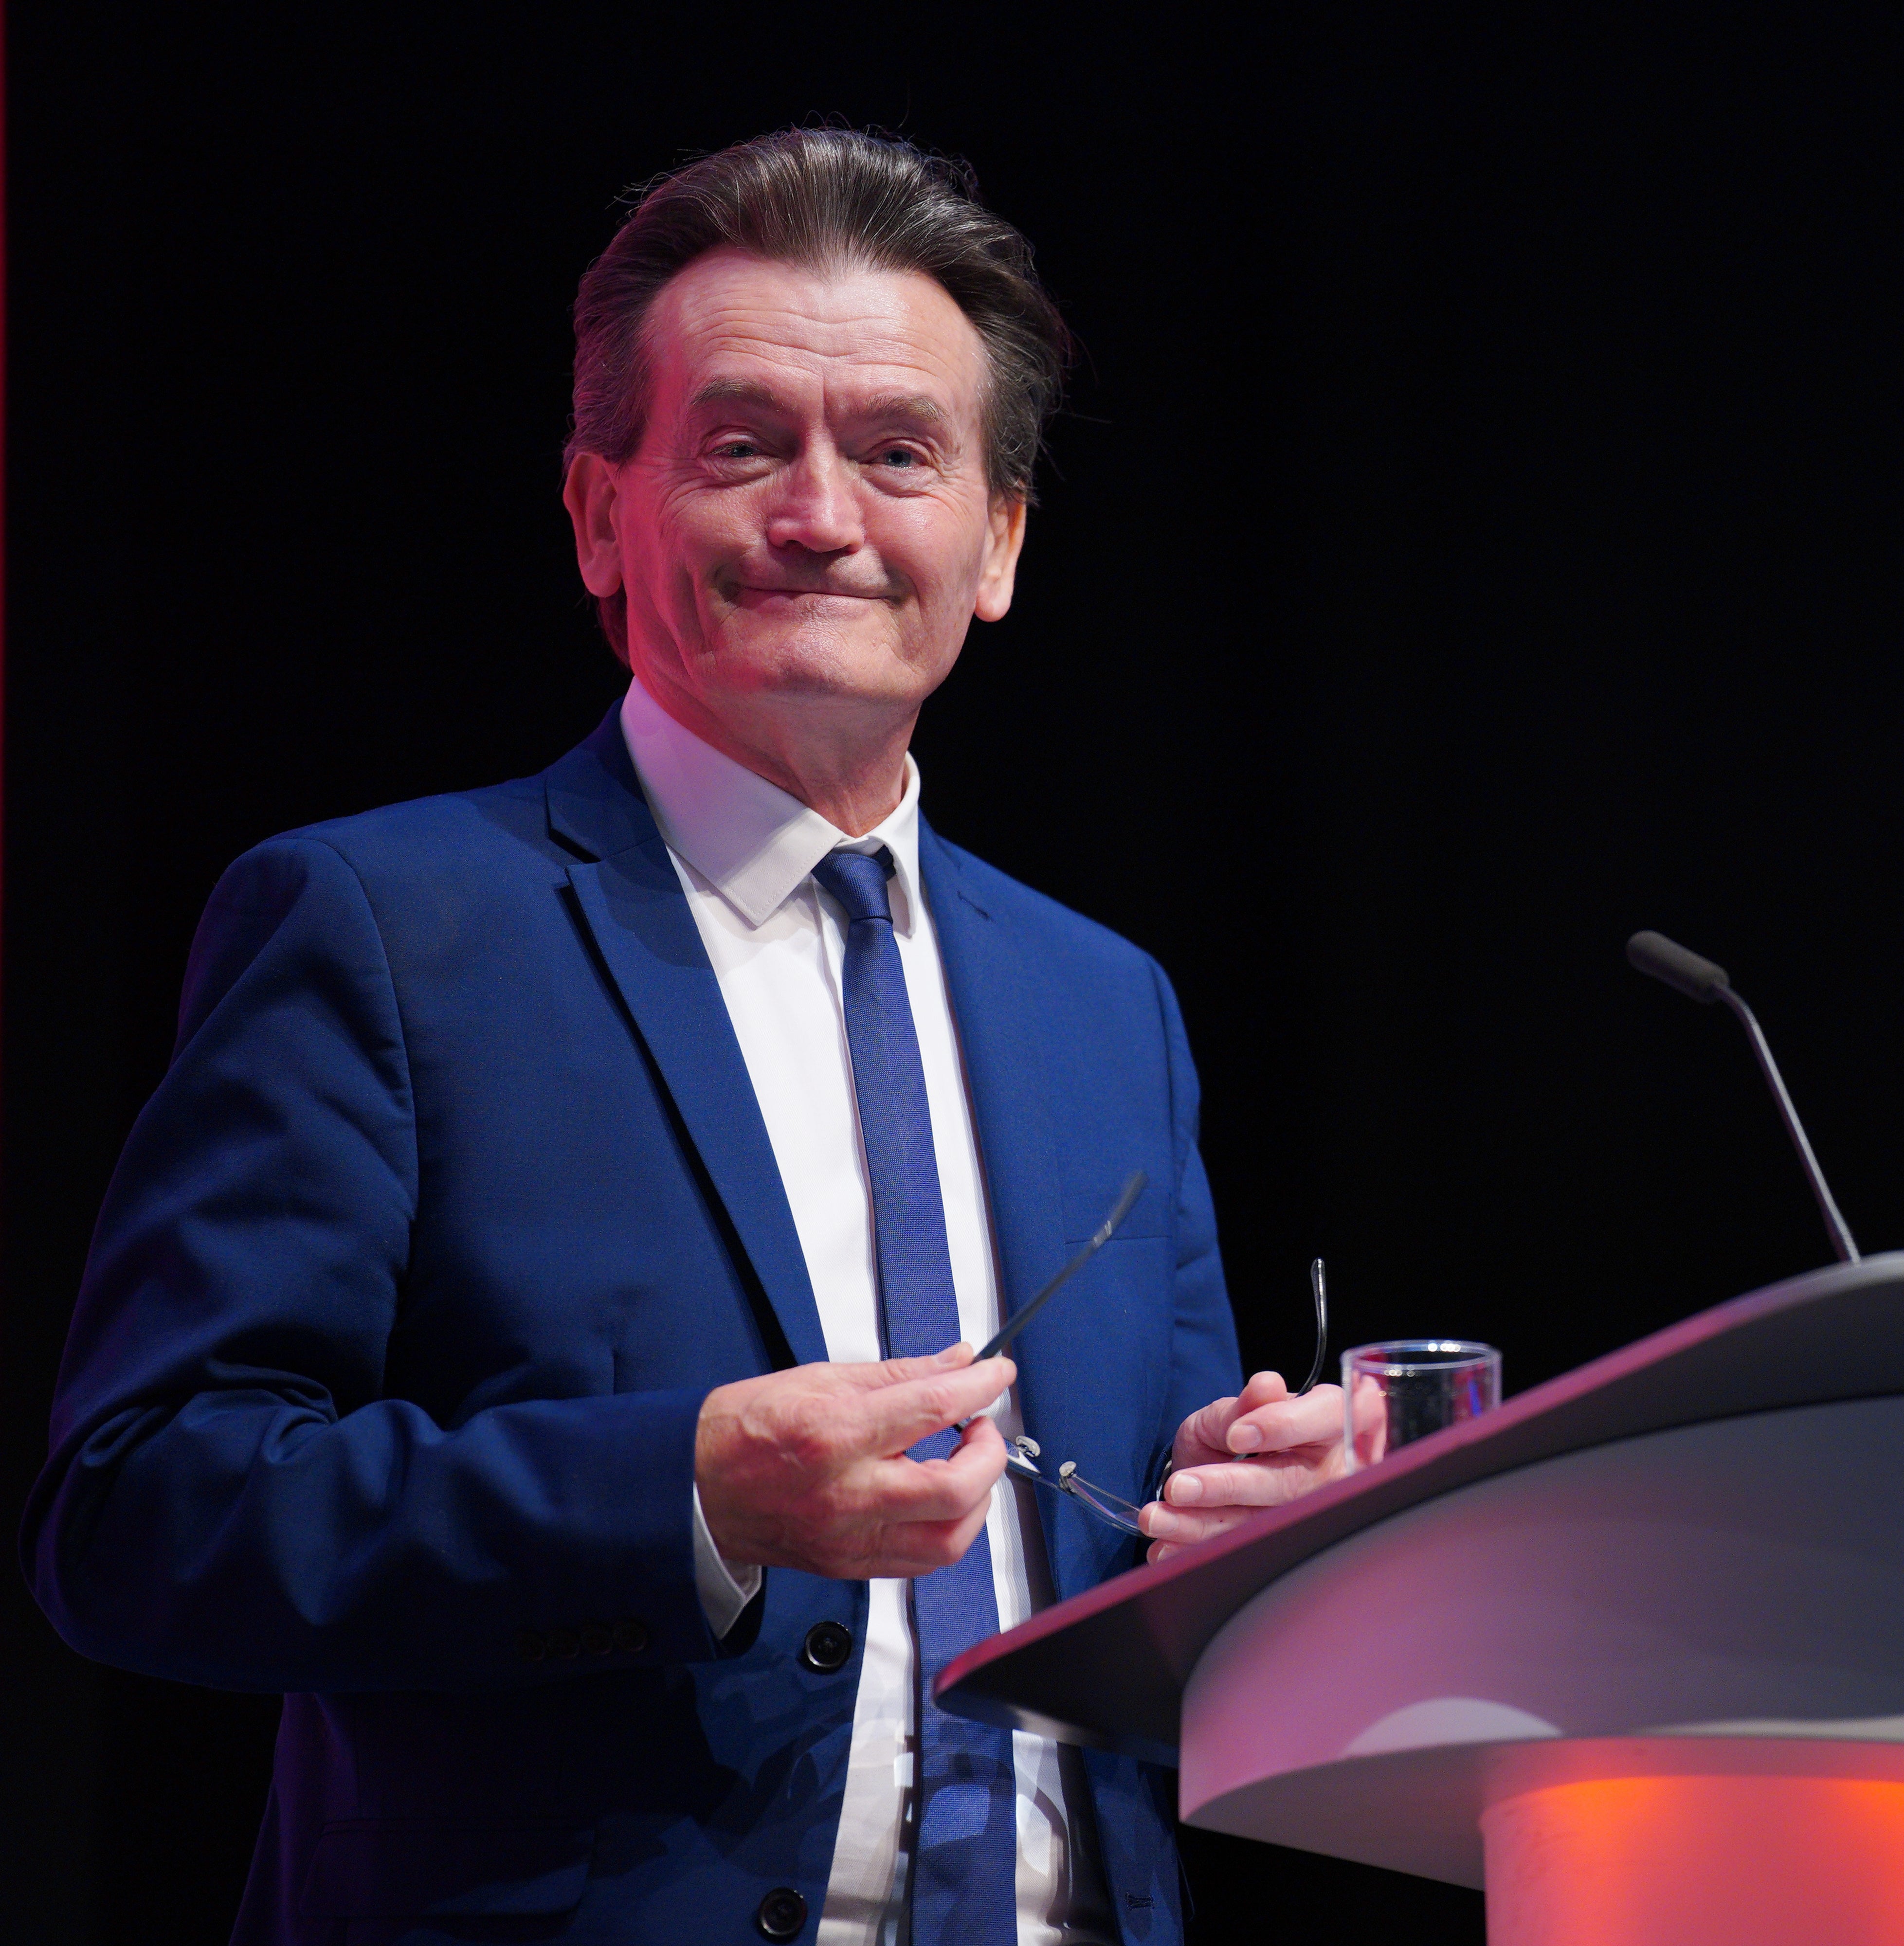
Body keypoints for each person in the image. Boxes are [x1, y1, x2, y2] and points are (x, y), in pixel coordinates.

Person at [21, 128, 1342, 1946]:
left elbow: (1128, 1551)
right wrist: (687, 1496)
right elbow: (138, 1513)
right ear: (595, 514)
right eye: (742, 446)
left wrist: (1263, 1545)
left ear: (1001, 542)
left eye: (900, 456)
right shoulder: (387, 929)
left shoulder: (1106, 1003)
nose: (822, 516)